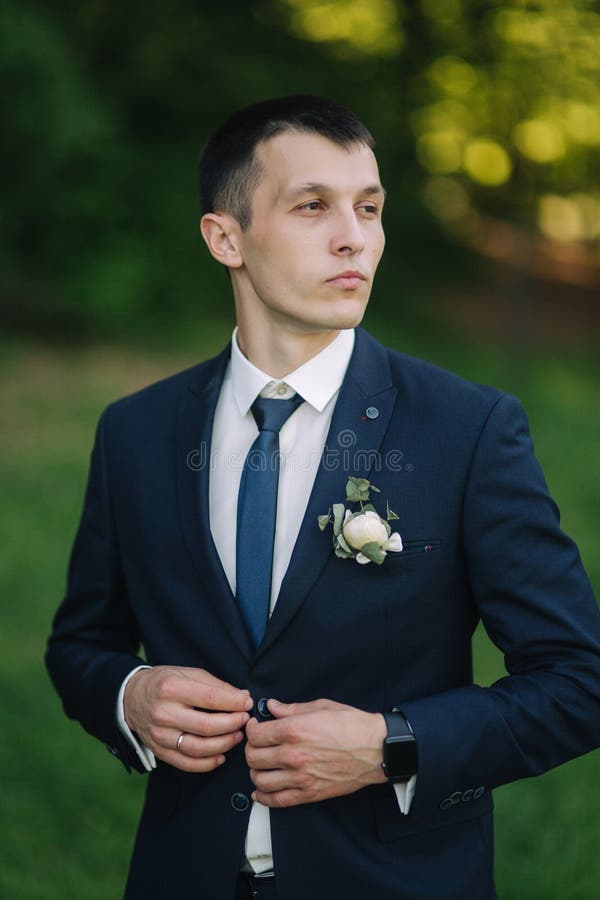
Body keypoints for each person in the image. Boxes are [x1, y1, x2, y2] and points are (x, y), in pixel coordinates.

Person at [46, 95, 600, 900]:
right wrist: (132, 695)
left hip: (392, 879)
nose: (356, 237)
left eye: (368, 208)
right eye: (313, 206)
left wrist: (389, 744)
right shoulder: (135, 431)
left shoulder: (469, 429)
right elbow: (78, 646)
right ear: (224, 237)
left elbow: (577, 680)